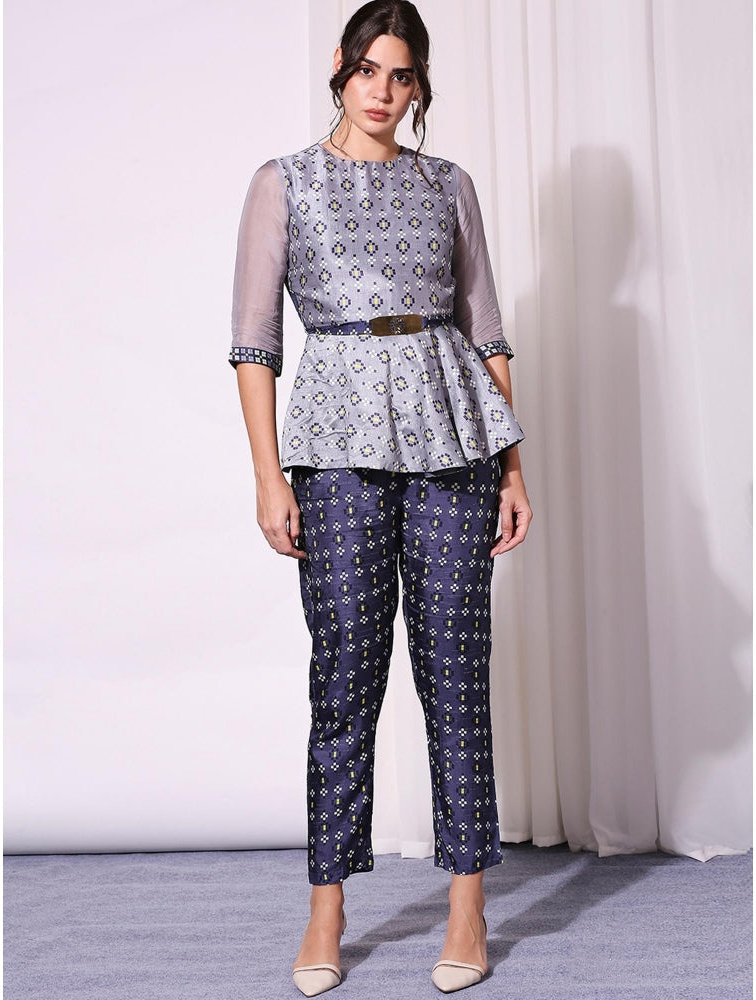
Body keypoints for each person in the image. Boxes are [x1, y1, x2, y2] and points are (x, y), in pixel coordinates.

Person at [228, 2, 532, 993]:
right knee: (345, 676)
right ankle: (326, 908)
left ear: (419, 85)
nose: (382, 92)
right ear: (340, 66)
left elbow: (487, 332)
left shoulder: (449, 185)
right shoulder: (284, 182)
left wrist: (514, 467)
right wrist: (268, 476)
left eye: (401, 76)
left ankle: (467, 904)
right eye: (368, 70)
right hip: (334, 454)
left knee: (456, 674)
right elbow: (255, 344)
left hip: (454, 446)